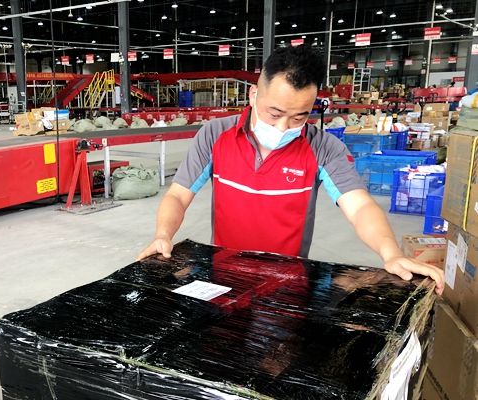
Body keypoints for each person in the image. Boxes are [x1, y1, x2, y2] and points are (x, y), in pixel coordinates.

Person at [138, 46, 444, 294]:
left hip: (287, 283)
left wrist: (391, 253)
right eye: (274, 113)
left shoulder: (323, 147)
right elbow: (178, 195)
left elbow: (361, 207)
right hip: (224, 276)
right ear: (254, 95)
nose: (284, 126)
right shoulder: (215, 135)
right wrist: (163, 235)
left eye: (299, 117)